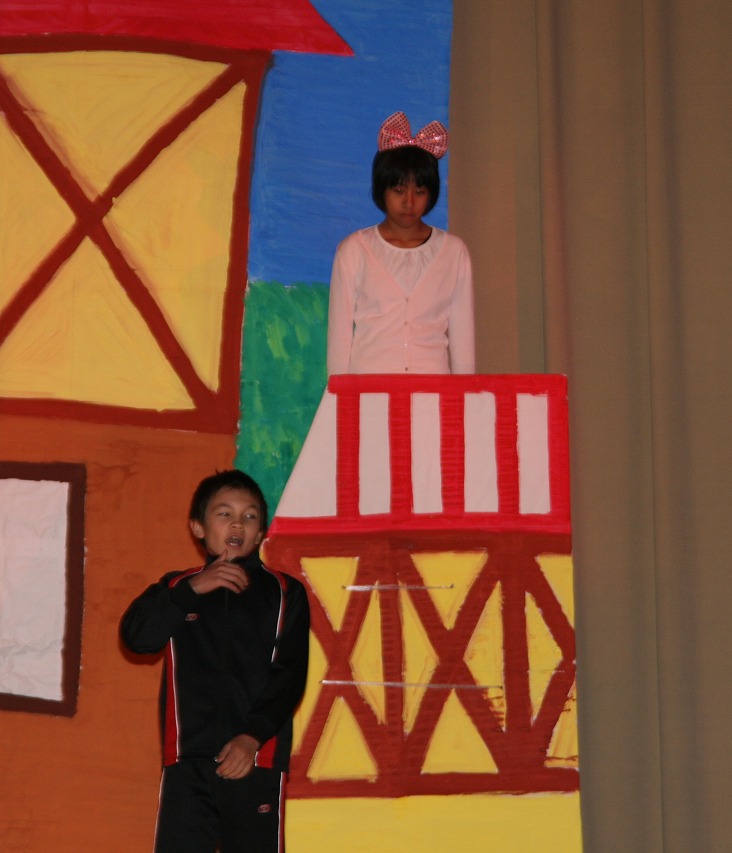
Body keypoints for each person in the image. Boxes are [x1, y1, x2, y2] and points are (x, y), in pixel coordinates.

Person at [120, 469, 310, 853]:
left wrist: (252, 737)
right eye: (224, 514)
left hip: (255, 759)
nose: (237, 524)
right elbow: (137, 638)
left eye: (249, 516)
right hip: (186, 764)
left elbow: (290, 676)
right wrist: (192, 590)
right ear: (198, 527)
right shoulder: (176, 587)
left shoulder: (285, 592)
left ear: (260, 533)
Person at [326, 111, 476, 375]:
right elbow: (339, 336)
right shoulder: (354, 251)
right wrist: (339, 393)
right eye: (398, 191)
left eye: (419, 192)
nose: (409, 202)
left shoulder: (453, 252)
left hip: (432, 389)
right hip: (370, 389)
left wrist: (465, 395)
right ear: (381, 190)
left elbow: (463, 339)